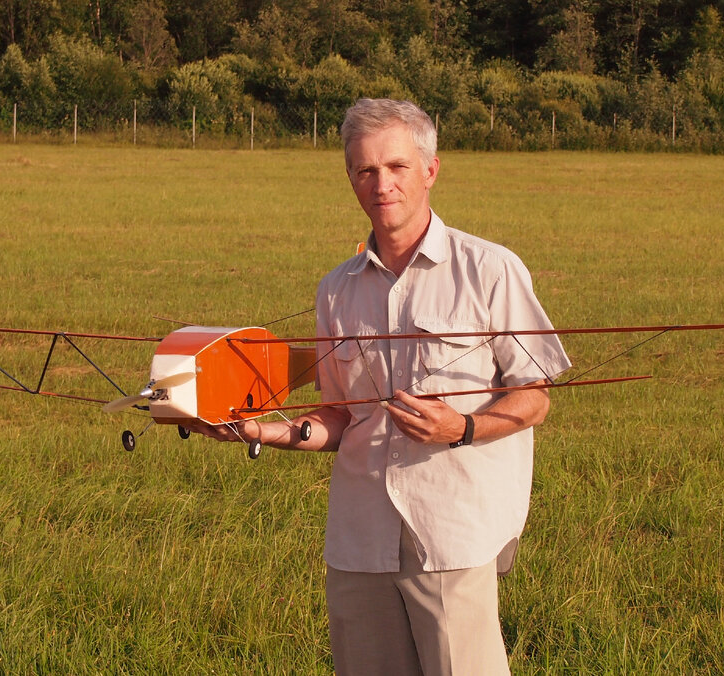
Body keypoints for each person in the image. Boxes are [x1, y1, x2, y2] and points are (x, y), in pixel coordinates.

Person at [192, 98, 570, 675]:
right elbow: (340, 416)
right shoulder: (335, 290)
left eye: (396, 167)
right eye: (365, 170)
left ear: (430, 170)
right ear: (350, 178)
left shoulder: (489, 270)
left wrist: (462, 428)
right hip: (359, 538)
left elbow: (534, 396)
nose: (381, 184)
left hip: (450, 534)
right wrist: (260, 431)